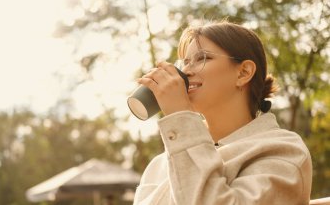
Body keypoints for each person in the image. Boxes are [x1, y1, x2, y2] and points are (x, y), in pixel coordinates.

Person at [133, 21, 312, 205]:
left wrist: (179, 116)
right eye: (185, 62)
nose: (185, 71)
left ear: (243, 72)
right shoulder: (161, 163)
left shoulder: (284, 151)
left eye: (203, 58)